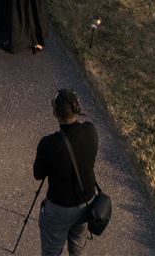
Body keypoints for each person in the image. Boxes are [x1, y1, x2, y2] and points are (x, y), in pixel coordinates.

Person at [32, 89, 102, 256]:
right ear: (77, 107)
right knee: (78, 248)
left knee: (52, 251)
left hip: (59, 208)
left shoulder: (48, 143)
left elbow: (38, 174)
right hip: (87, 203)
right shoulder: (90, 130)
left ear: (55, 113)